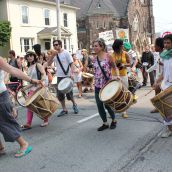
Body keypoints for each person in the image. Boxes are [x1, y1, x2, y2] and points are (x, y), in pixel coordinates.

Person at [0, 56, 41, 157]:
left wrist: (31, 80)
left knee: (5, 122)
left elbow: (12, 70)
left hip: (1, 96)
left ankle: (24, 144)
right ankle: (0, 148)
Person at [46, 40, 79, 117]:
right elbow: (49, 64)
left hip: (67, 76)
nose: (55, 46)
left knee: (69, 95)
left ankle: (74, 104)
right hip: (59, 76)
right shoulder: (54, 54)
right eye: (54, 45)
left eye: (56, 44)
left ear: (60, 45)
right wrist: (52, 55)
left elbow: (71, 64)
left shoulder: (66, 53)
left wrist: (72, 74)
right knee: (60, 95)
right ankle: (64, 109)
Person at [92, 38, 117, 131]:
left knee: (107, 105)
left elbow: (114, 67)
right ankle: (105, 123)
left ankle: (114, 120)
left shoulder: (108, 56)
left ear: (101, 47)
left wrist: (116, 76)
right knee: (99, 104)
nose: (94, 48)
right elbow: (95, 71)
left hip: (107, 84)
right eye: (93, 46)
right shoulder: (94, 59)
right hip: (97, 85)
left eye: (96, 46)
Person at [21, 50, 48, 129]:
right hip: (32, 89)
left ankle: (45, 120)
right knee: (29, 105)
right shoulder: (29, 68)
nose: (29, 57)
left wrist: (41, 81)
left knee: (41, 106)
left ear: (34, 56)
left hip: (39, 88)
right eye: (28, 56)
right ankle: (28, 123)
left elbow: (43, 74)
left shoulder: (38, 65)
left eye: (31, 56)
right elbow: (32, 82)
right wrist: (24, 88)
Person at [153, 34, 172, 138]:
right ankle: (169, 130)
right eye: (165, 43)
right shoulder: (165, 55)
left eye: (168, 42)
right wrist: (157, 81)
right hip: (166, 85)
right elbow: (164, 72)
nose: (166, 45)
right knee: (166, 109)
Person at [110, 39, 131, 118]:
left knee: (124, 92)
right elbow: (112, 66)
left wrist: (124, 65)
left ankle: (124, 111)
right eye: (121, 45)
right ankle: (115, 109)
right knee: (115, 93)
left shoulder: (125, 54)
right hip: (115, 75)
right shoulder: (112, 55)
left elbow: (130, 63)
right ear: (118, 46)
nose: (123, 46)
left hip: (124, 75)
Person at [150, 38, 164, 113]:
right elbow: (155, 65)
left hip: (165, 78)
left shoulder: (166, 54)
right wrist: (147, 70)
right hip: (158, 76)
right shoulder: (159, 55)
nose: (154, 47)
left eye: (155, 45)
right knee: (157, 91)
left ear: (159, 46)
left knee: (165, 94)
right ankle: (158, 107)